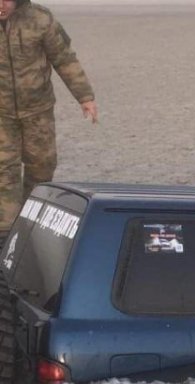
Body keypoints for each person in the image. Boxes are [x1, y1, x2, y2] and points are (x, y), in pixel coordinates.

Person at [0, 0, 98, 230]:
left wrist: (85, 97)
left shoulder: (41, 19)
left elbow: (64, 59)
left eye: (7, 0)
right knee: (4, 169)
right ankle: (5, 231)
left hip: (38, 110)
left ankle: (30, 222)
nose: (1, 5)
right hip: (1, 114)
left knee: (42, 165)